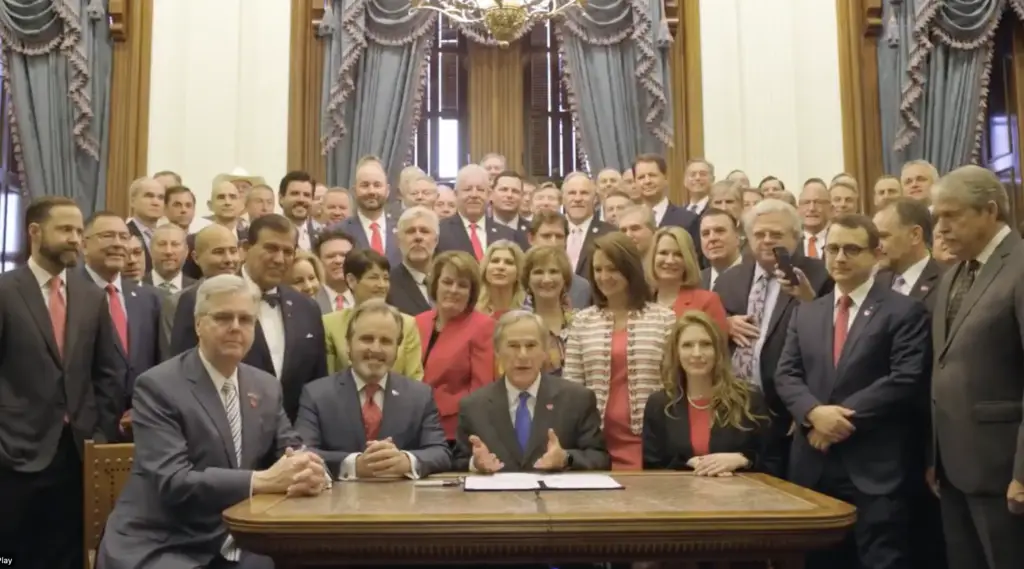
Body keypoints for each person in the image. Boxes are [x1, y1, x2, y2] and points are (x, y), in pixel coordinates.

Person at [96, 275, 329, 569]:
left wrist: (307, 468)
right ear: (198, 325)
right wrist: (262, 480)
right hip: (164, 540)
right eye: (223, 317)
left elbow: (290, 449)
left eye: (245, 319)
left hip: (240, 537)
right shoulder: (157, 386)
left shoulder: (266, 386)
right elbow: (174, 482)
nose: (235, 327)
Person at [775, 214, 931, 569]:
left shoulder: (905, 311)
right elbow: (786, 374)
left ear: (876, 254)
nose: (840, 257)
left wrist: (836, 420)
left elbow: (904, 379)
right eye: (832, 248)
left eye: (851, 249)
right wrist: (815, 414)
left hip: (875, 468)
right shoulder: (807, 313)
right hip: (813, 466)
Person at [0, 196, 124, 569]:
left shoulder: (89, 296)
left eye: (78, 230)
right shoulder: (5, 291)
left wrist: (99, 433)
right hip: (14, 455)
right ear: (36, 232)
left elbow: (110, 371)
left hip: (78, 453)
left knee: (67, 554)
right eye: (66, 230)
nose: (75, 239)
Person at [930, 165, 1024, 569]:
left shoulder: (1019, 267)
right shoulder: (955, 274)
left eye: (952, 216)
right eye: (937, 217)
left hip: (1004, 470)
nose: (942, 227)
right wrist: (934, 456)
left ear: (990, 211)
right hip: (953, 468)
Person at [169, 214, 327, 422]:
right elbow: (183, 376)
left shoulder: (307, 307)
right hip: (220, 436)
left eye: (287, 251)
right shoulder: (204, 297)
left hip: (292, 443)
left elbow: (316, 385)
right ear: (245, 248)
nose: (279, 259)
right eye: (270, 248)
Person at [295, 300, 450, 479]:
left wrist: (406, 461)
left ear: (397, 349)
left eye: (386, 341)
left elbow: (440, 452)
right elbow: (303, 452)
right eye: (367, 339)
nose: (376, 349)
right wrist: (353, 464)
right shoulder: (317, 395)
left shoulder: (420, 396)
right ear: (348, 344)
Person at [563, 232, 676, 470]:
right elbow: (572, 386)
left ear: (629, 268)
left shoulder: (664, 319)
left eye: (612, 269)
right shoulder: (582, 321)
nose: (604, 277)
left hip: (651, 440)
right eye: (598, 269)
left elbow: (673, 384)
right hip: (596, 442)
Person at [454, 311, 609, 472]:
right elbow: (458, 462)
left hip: (558, 497)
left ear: (544, 352)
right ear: (497, 352)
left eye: (531, 346)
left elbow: (600, 458)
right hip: (497, 496)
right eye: (513, 346)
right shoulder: (473, 407)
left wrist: (566, 458)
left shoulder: (577, 399)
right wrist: (476, 463)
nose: (522, 355)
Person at [643, 312, 773, 474]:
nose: (697, 353)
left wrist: (743, 460)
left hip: (739, 495)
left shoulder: (749, 398)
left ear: (718, 351)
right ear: (676, 352)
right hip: (679, 495)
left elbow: (772, 461)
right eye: (687, 345)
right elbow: (652, 467)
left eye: (705, 344)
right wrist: (690, 463)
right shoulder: (659, 404)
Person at [416, 251, 496, 443]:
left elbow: (481, 391)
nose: (453, 289)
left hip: (455, 432)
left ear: (471, 292)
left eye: (462, 285)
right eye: (447, 282)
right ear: (436, 284)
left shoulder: (483, 326)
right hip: (413, 426)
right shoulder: (417, 322)